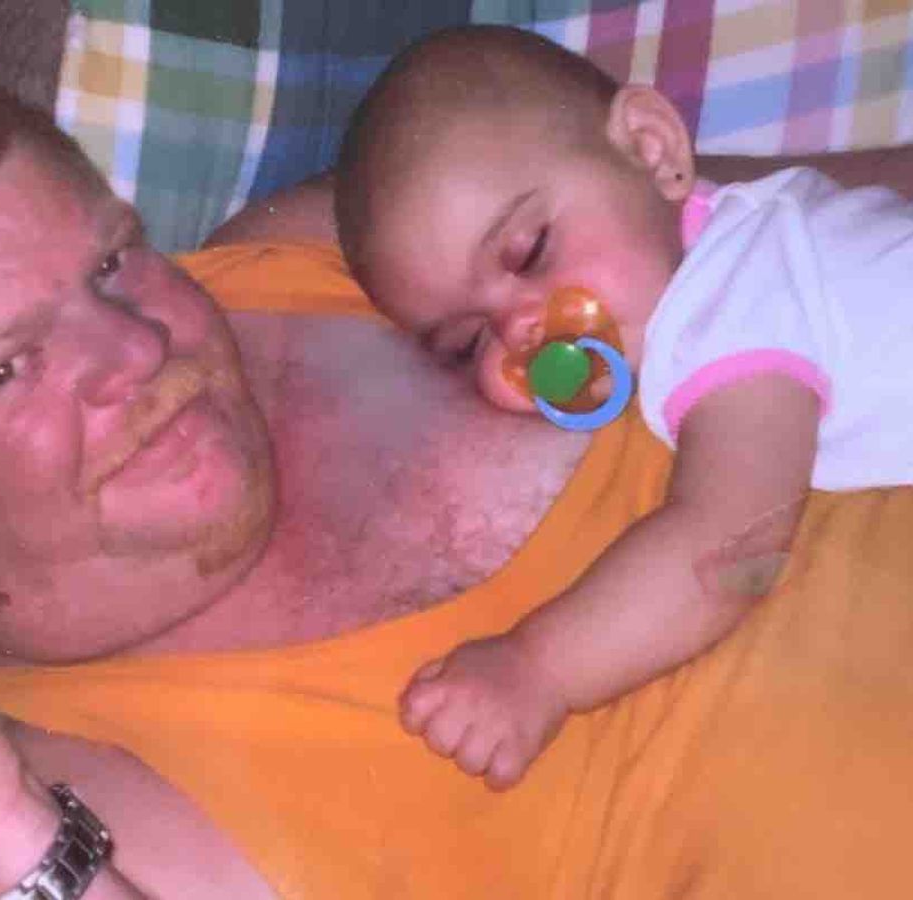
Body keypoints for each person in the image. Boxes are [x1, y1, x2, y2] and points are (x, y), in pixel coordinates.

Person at [0, 64, 913, 900]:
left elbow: (762, 214)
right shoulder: (67, 778)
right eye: (6, 370)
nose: (136, 351)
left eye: (114, 261)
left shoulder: (318, 243)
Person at [330, 25, 913, 789]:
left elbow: (730, 546)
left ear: (651, 147)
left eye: (530, 251)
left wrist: (539, 668)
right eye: (469, 343)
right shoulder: (757, 226)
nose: (521, 329)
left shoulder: (732, 300)